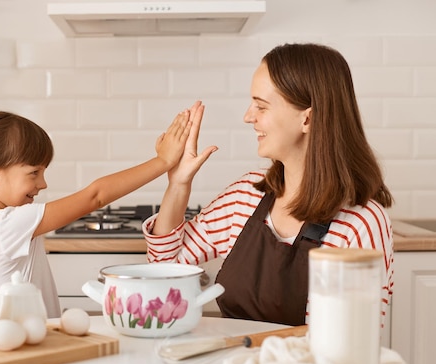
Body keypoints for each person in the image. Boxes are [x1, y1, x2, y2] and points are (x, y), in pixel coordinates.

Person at [143, 43, 394, 326]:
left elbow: (348, 345)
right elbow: (164, 272)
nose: (248, 116)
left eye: (261, 106)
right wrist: (178, 184)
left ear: (307, 118)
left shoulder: (360, 224)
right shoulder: (245, 195)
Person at [0, 105, 196, 318]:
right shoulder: (6, 223)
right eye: (34, 173)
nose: (43, 184)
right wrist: (163, 161)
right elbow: (96, 196)